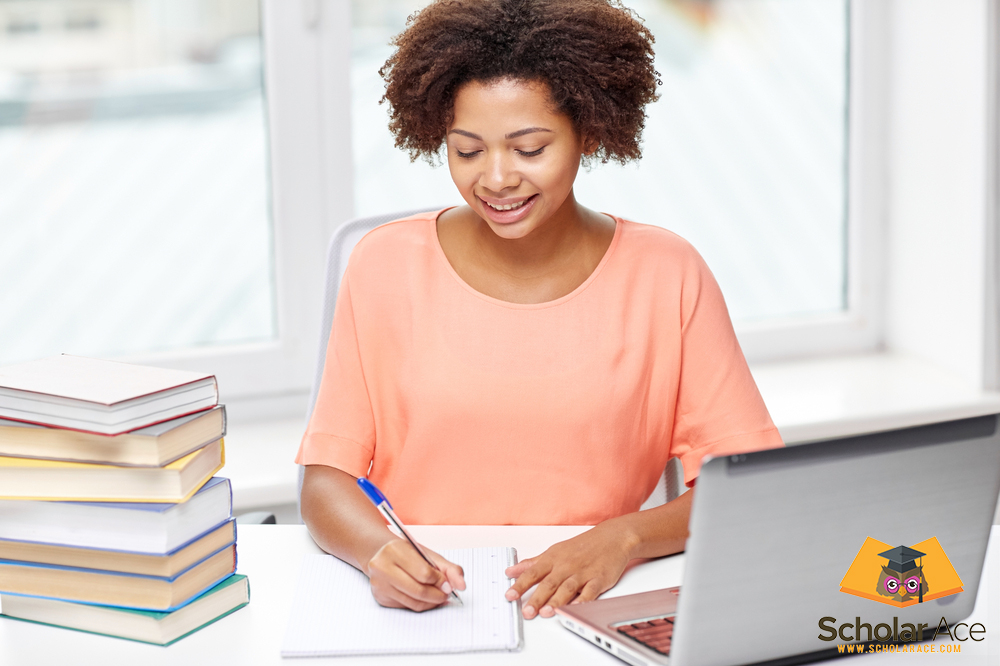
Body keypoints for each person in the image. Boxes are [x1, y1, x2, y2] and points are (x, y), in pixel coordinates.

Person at [297, 0, 783, 621]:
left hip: (592, 604)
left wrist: (623, 538)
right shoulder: (383, 266)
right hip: (435, 611)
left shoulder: (667, 273)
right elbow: (324, 485)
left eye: (529, 149)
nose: (496, 179)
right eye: (466, 152)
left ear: (588, 129)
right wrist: (379, 552)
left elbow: (747, 484)